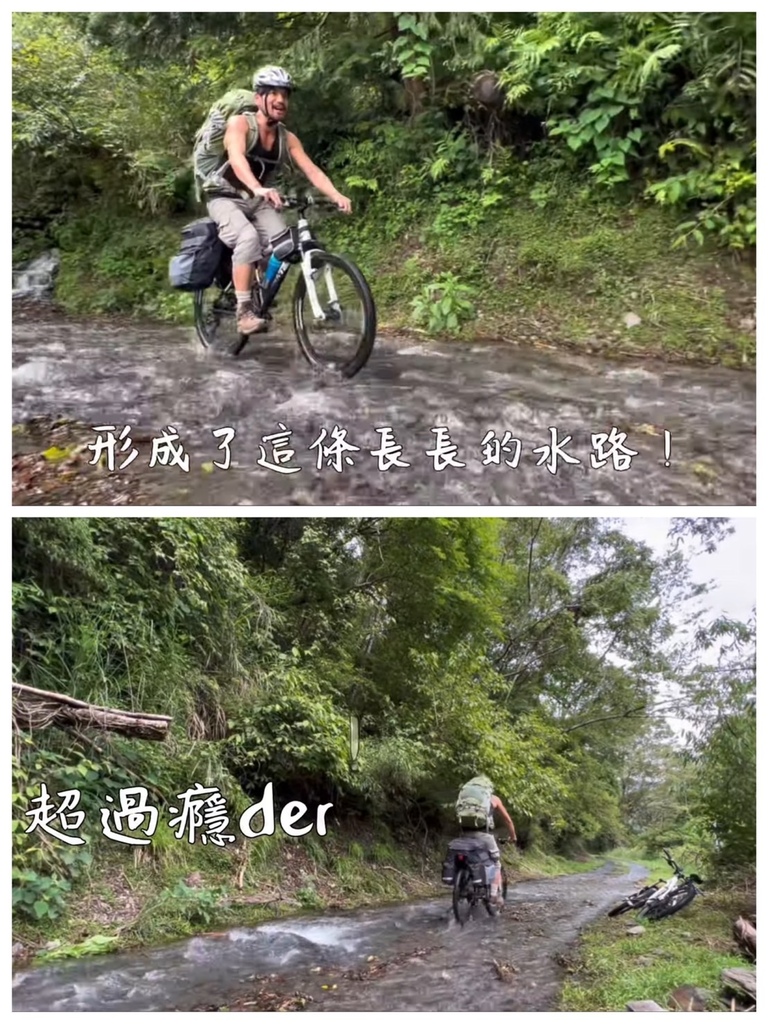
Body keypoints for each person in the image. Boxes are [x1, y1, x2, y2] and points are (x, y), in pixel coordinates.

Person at [198, 65, 353, 336]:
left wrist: (336, 195)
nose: (281, 100)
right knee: (247, 238)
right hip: (224, 196)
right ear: (259, 99)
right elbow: (235, 157)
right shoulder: (240, 124)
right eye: (273, 94)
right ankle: (244, 312)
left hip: (257, 200)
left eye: (284, 94)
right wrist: (258, 187)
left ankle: (259, 294)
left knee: (281, 245)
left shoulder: (287, 137)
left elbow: (312, 170)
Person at [455, 774, 517, 906]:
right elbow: (508, 820)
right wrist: (513, 837)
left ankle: (463, 884)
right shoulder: (493, 799)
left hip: (464, 835)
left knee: (468, 858)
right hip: (484, 836)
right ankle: (494, 895)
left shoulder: (464, 798)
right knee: (495, 863)